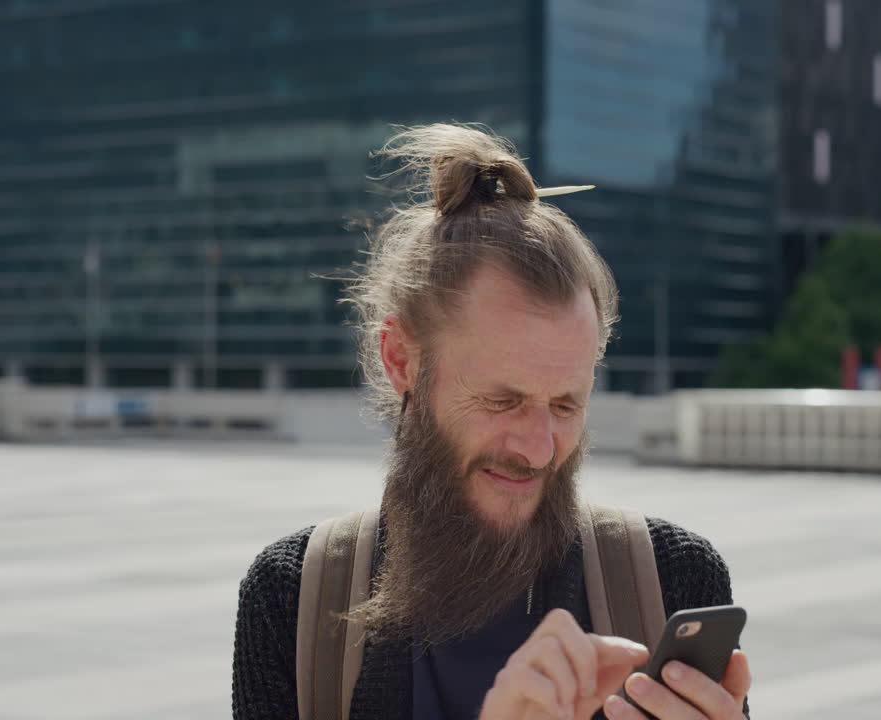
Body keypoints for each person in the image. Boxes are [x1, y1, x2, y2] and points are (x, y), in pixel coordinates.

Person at [232, 124, 751, 720]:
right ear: (401, 359)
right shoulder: (292, 597)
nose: (537, 449)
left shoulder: (672, 580)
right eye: (502, 401)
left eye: (565, 405)